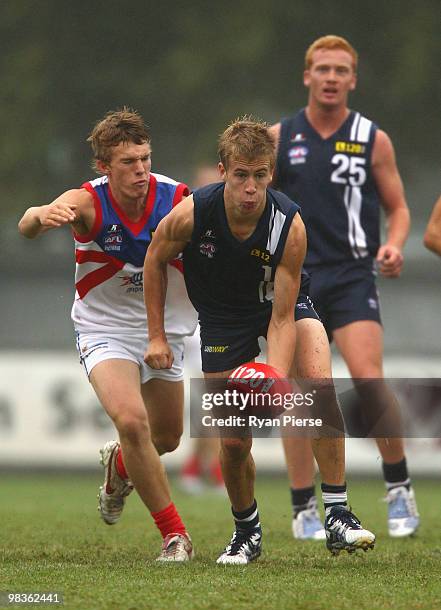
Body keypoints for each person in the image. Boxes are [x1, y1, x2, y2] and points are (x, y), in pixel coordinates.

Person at [143, 117, 375, 564]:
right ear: (224, 170)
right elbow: (155, 258)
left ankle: (338, 514)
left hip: (279, 309)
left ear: (272, 173)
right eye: (241, 175)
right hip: (222, 319)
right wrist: (156, 334)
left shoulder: (289, 224)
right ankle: (246, 531)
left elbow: (284, 317)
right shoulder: (193, 213)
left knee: (317, 386)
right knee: (231, 441)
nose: (251, 188)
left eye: (260, 175)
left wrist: (272, 374)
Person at [17, 108, 198, 561]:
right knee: (132, 422)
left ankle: (119, 466)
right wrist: (42, 214)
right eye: (127, 162)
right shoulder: (88, 202)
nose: (140, 170)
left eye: (145, 159)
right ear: (103, 166)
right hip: (105, 330)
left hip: (166, 331)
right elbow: (27, 226)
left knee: (166, 439)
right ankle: (175, 536)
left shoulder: (176, 197)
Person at [270, 35, 419, 539]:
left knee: (367, 378)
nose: (331, 77)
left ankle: (398, 489)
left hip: (353, 272)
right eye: (323, 69)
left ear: (353, 79)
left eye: (341, 70)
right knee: (301, 394)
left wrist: (395, 244)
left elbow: (398, 208)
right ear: (306, 75)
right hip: (297, 276)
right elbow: (252, 202)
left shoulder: (372, 138)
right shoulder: (278, 137)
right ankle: (302, 507)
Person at [179, 164, 225, 494]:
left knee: (214, 405)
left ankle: (200, 467)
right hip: (191, 328)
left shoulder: (230, 224)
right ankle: (206, 469)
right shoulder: (185, 224)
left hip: (219, 324)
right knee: (212, 405)